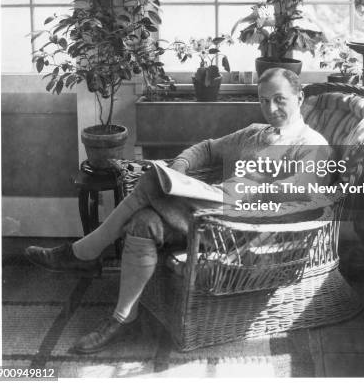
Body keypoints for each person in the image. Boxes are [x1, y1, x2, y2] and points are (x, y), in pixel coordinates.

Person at [25, 68, 332, 353]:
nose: (271, 108)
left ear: (300, 97)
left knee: (150, 182)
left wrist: (248, 189)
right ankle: (123, 319)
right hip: (207, 211)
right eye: (264, 101)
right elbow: (208, 148)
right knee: (143, 222)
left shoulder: (311, 143)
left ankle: (85, 251)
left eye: (280, 100)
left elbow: (302, 189)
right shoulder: (254, 132)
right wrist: (181, 167)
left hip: (242, 227)